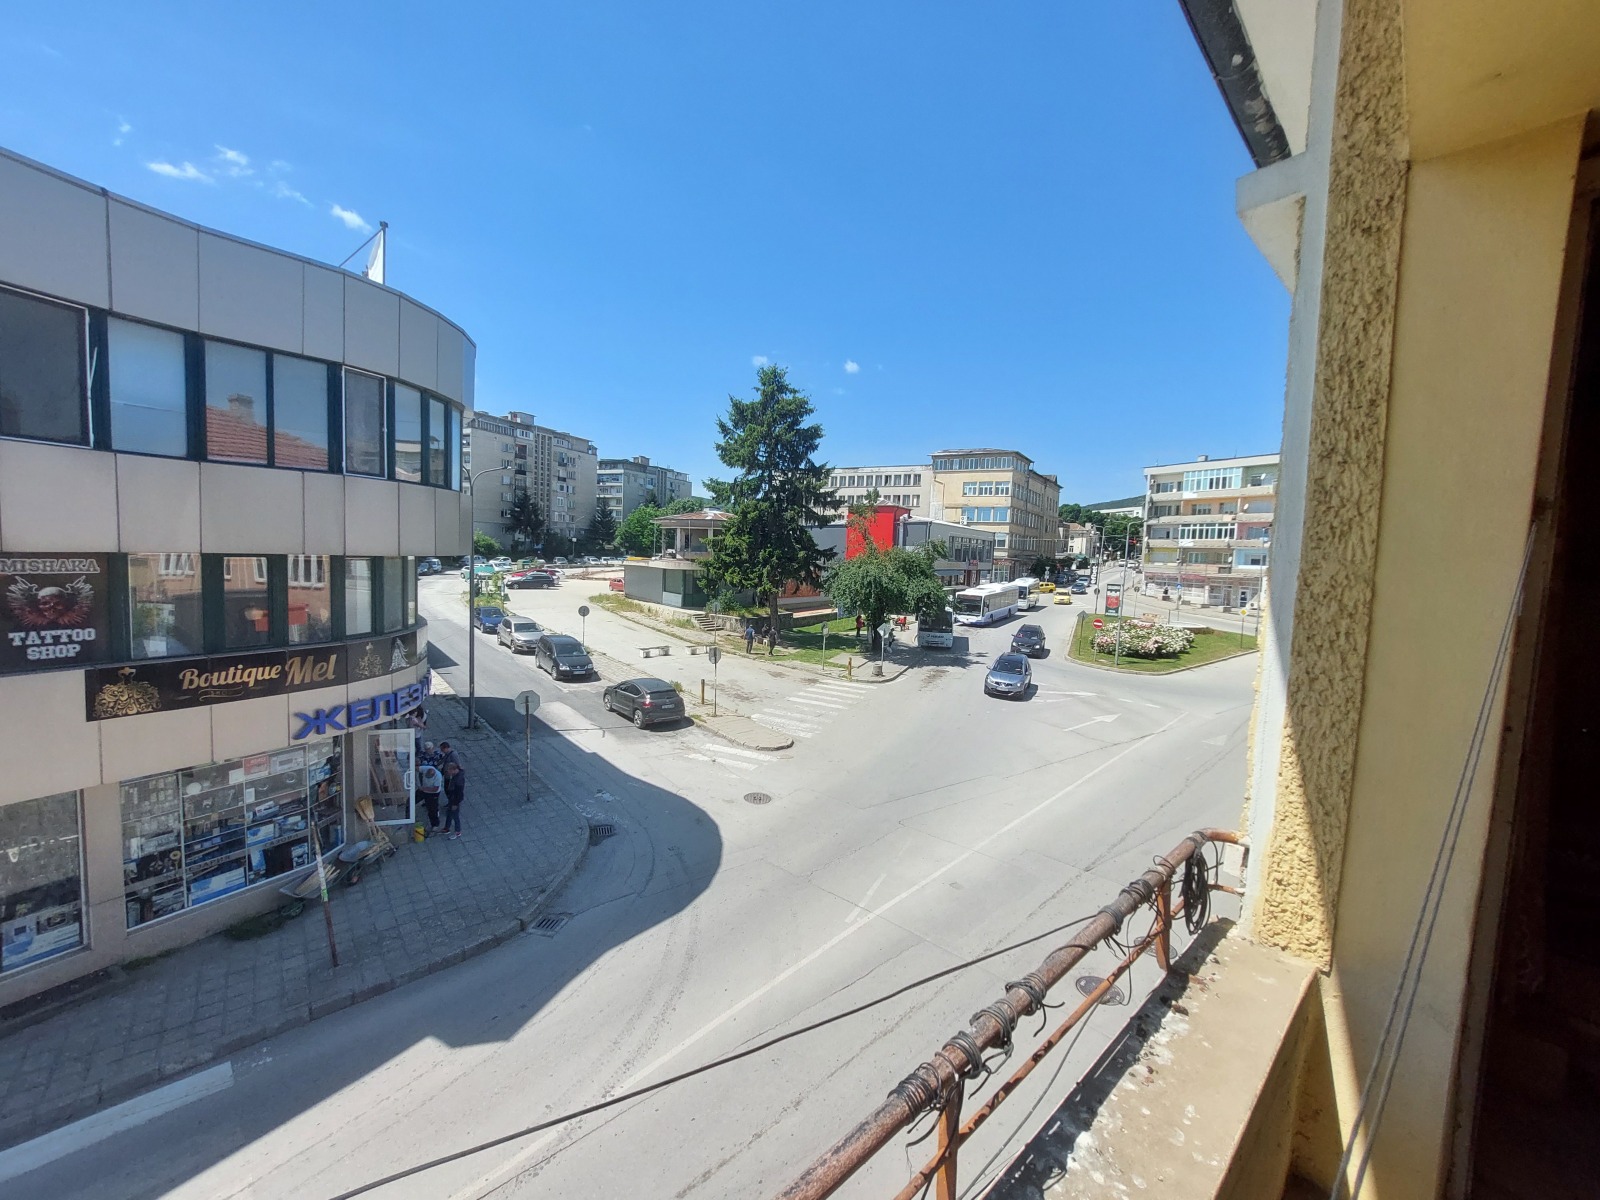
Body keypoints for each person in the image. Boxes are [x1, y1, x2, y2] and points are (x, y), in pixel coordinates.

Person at [417, 763, 444, 835]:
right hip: (424, 790)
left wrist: (423, 789)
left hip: (433, 794)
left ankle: (435, 824)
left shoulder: (438, 777)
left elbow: (435, 789)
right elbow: (417, 769)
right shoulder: (426, 768)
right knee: (414, 799)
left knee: (432, 809)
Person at [442, 761, 466, 840]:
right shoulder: (456, 775)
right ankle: (447, 828)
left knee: (455, 816)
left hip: (455, 800)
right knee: (449, 813)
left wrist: (455, 804)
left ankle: (457, 831)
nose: (448, 772)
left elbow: (459, 794)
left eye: (449, 770)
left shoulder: (458, 780)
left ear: (453, 770)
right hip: (452, 798)